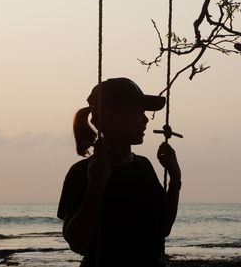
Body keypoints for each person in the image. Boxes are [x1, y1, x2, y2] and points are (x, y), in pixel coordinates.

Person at [57, 77, 182, 267]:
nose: (145, 119)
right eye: (136, 112)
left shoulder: (144, 166)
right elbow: (78, 243)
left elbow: (163, 227)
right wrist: (96, 187)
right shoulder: (82, 172)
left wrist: (175, 178)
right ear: (109, 117)